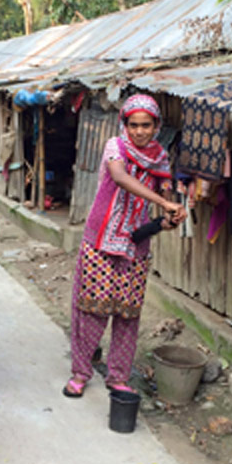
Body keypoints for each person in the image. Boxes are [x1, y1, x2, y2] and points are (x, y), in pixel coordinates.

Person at [63, 94, 187, 398]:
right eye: (134, 125)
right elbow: (119, 177)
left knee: (127, 314)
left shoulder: (160, 158)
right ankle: (81, 372)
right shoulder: (115, 147)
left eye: (146, 125)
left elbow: (165, 198)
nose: (140, 131)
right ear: (125, 124)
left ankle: (118, 376)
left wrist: (172, 216)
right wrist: (162, 201)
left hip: (136, 245)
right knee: (91, 309)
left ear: (156, 125)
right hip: (101, 242)